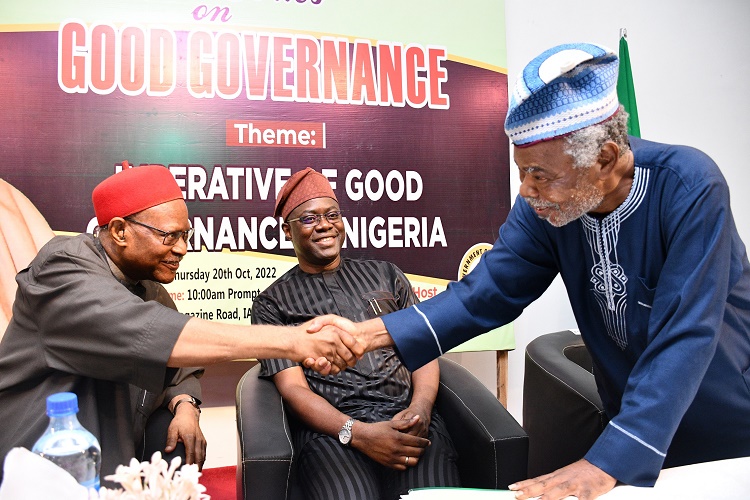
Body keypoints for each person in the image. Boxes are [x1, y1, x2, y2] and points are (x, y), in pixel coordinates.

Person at [307, 43, 750, 499]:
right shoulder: (546, 208)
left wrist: (606, 461)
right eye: (523, 172)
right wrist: (367, 335)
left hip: (724, 424)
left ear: (604, 159)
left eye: (541, 175)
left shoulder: (688, 186)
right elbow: (486, 293)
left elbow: (685, 334)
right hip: (631, 426)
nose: (527, 190)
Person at [0, 164, 361, 486]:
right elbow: (155, 333)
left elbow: (182, 362)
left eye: (185, 235)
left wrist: (185, 405)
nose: (182, 249)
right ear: (121, 230)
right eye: (169, 236)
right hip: (42, 464)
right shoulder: (63, 269)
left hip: (114, 458)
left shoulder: (147, 285)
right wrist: (295, 341)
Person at [253, 168, 460, 500]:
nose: (324, 225)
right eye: (309, 219)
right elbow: (294, 390)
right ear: (287, 230)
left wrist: (421, 407)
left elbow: (423, 350)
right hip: (334, 433)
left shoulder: (386, 275)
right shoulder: (271, 304)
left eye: (332, 215)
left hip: (408, 418)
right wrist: (358, 433)